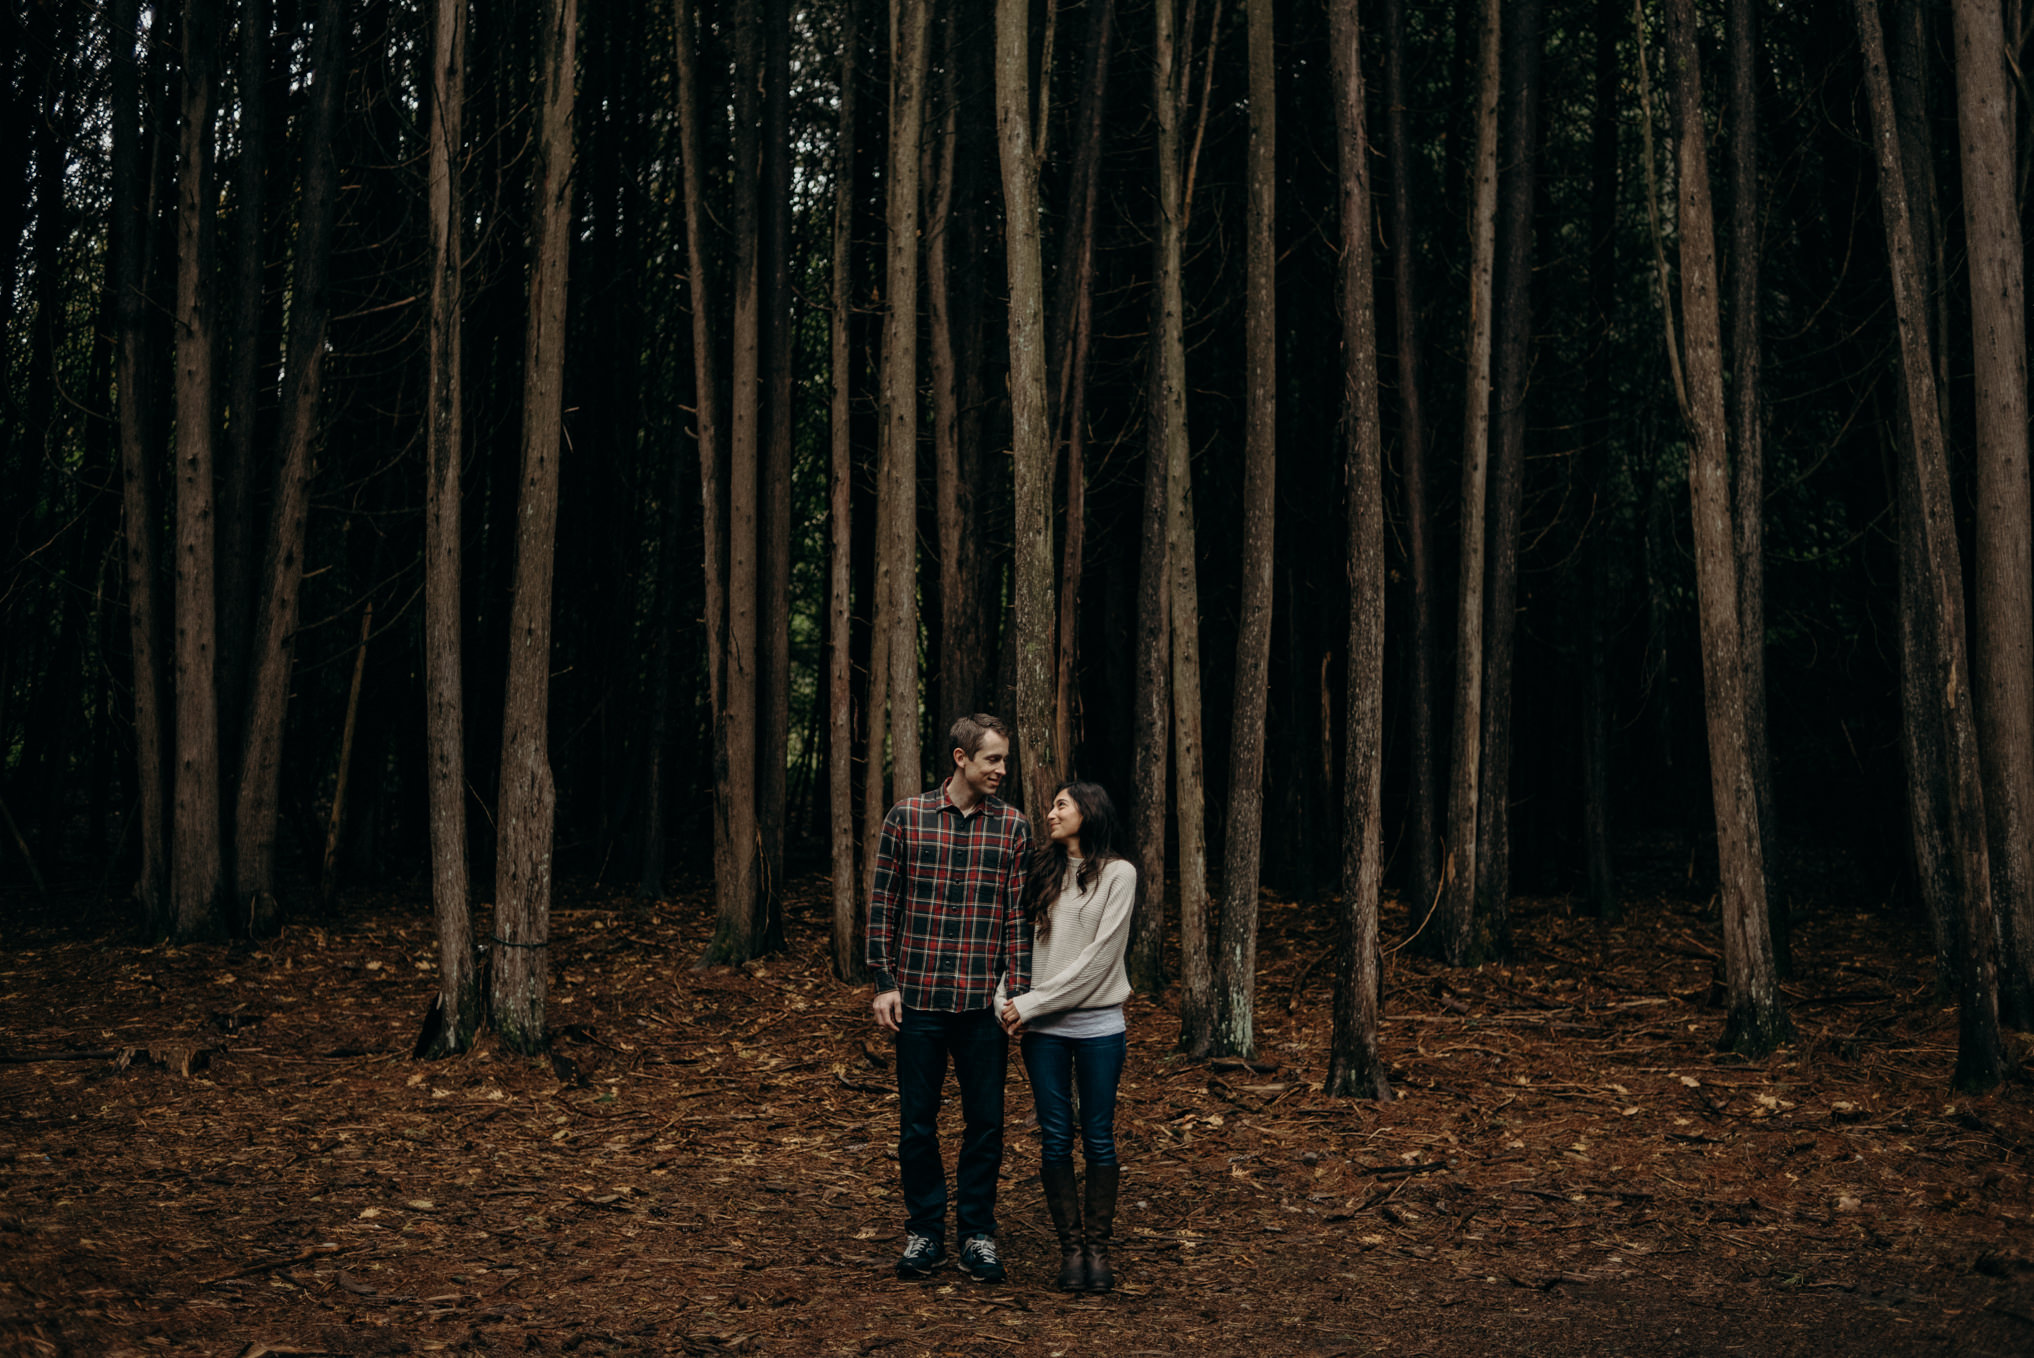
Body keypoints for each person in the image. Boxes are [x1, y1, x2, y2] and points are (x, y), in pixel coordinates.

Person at [867, 713, 1031, 1283]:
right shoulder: (907, 818)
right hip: (919, 1000)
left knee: (986, 1123)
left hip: (983, 1006)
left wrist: (1020, 995)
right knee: (917, 1123)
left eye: (1004, 759)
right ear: (961, 758)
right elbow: (882, 905)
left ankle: (977, 1234)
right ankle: (925, 1231)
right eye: (993, 759)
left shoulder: (1012, 826)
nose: (1002, 770)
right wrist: (884, 983)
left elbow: (1017, 918)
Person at [998, 781, 1136, 1293]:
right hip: (1044, 1033)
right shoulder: (1042, 871)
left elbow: (1099, 959)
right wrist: (1004, 1000)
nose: (1050, 813)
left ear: (1089, 811)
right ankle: (1071, 1251)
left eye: (1061, 804)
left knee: (1099, 1136)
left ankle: (1099, 1251)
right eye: (1051, 805)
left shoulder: (1120, 874)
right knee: (1055, 1137)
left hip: (1099, 1026)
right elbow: (1019, 946)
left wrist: (1029, 1003)